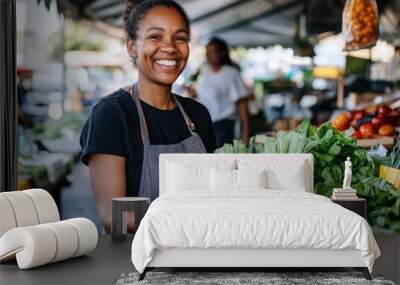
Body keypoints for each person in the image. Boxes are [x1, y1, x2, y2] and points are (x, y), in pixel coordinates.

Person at [80, 0, 216, 232]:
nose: (170, 47)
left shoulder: (198, 115)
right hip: (135, 261)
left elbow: (214, 195)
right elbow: (115, 219)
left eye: (180, 38)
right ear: (132, 46)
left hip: (199, 254)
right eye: (155, 37)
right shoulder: (111, 115)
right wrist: (191, 226)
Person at [193, 37, 250, 147]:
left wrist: (245, 135)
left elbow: (243, 106)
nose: (208, 55)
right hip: (205, 125)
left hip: (223, 126)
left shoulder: (231, 73)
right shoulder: (206, 72)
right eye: (207, 52)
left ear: (222, 53)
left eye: (212, 52)